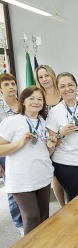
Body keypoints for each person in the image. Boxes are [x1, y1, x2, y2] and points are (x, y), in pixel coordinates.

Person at [0, 86, 57, 235]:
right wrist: (20, 143)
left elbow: (47, 152)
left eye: (39, 99)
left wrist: (51, 144)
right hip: (21, 178)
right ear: (23, 102)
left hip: (42, 175)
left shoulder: (44, 123)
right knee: (31, 216)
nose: (36, 102)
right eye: (31, 98)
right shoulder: (12, 121)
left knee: (44, 217)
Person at [46, 72, 78, 201]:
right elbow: (50, 143)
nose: (67, 89)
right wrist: (60, 134)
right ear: (58, 89)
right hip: (67, 161)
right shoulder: (54, 112)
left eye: (70, 85)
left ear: (76, 86)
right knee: (75, 200)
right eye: (62, 86)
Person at [35, 65, 65, 207]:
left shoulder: (63, 92)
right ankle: (62, 206)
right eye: (41, 77)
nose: (44, 79)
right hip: (48, 142)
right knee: (55, 176)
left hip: (67, 139)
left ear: (52, 75)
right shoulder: (38, 97)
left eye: (46, 75)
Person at [0, 73, 23, 236]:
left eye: (13, 84)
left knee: (27, 187)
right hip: (5, 155)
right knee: (13, 189)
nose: (11, 87)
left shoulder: (24, 104)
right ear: (0, 88)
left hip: (25, 152)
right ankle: (19, 223)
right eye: (6, 84)